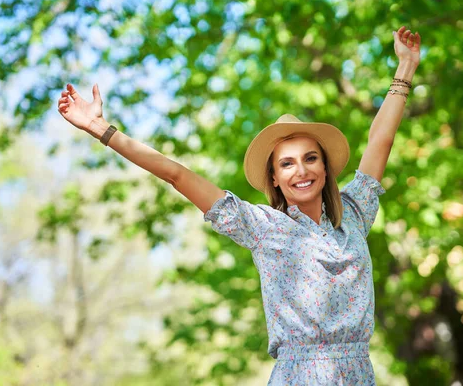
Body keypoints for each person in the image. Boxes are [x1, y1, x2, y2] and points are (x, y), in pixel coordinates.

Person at [58, 26, 421, 385]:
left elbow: (380, 141)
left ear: (325, 168)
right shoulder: (262, 227)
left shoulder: (354, 215)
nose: (302, 170)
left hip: (359, 373)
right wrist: (102, 129)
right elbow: (177, 175)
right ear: (275, 178)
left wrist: (405, 68)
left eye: (311, 158)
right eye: (287, 163)